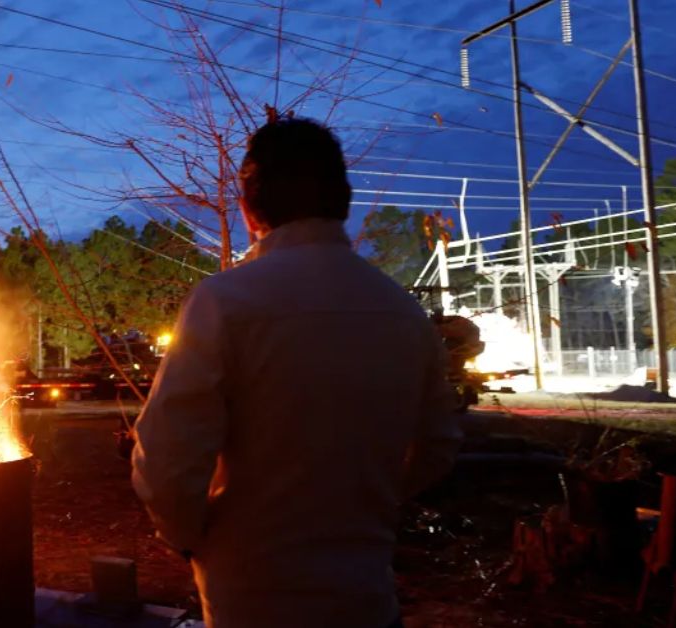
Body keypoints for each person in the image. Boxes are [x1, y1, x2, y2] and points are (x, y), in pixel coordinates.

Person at [131, 117, 461, 628]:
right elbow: (437, 446)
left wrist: (191, 537)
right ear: (342, 201)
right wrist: (366, 505)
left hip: (253, 594)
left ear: (248, 208)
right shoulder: (402, 312)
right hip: (366, 594)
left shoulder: (224, 302)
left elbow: (168, 459)